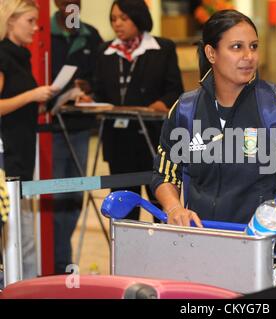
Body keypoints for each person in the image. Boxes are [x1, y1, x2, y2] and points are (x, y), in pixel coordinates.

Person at [150, 10, 276, 227]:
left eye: (253, 46)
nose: (249, 56)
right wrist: (174, 208)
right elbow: (165, 174)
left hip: (267, 246)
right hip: (203, 240)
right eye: (237, 47)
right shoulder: (185, 110)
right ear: (211, 53)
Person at [92, 0, 184, 220]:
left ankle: (164, 253)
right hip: (118, 140)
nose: (117, 24)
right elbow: (99, 92)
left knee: (159, 205)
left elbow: (175, 90)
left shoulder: (162, 48)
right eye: (113, 19)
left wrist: (158, 105)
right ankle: (126, 253)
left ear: (138, 17)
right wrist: (89, 97)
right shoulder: (105, 51)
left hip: (154, 138)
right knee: (124, 207)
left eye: (123, 18)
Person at [0, 0, 59, 279]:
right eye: (30, 22)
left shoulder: (21, 56)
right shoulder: (2, 55)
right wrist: (32, 96)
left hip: (22, 153)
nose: (36, 29)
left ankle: (27, 286)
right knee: (16, 236)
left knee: (23, 235)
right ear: (11, 20)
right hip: (6, 157)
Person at [50, 0, 103, 275]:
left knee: (74, 196)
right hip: (50, 129)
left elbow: (101, 75)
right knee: (55, 198)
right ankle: (59, 263)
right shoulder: (42, 34)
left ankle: (63, 257)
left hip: (80, 126)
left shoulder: (91, 35)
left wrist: (87, 86)